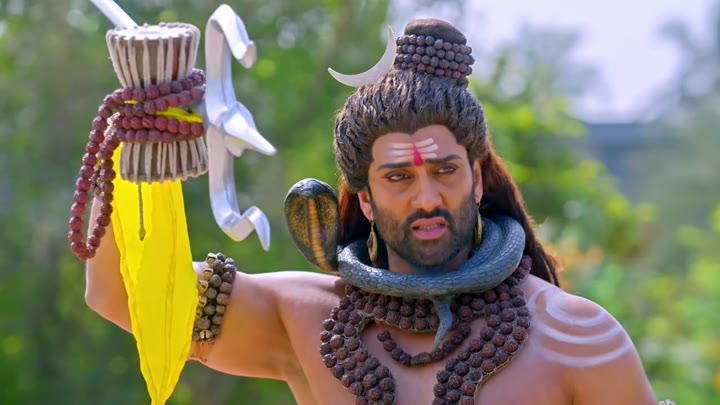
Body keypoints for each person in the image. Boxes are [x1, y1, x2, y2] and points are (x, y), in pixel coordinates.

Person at [85, 18, 667, 405]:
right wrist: (134, 144)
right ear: (364, 197)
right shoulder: (306, 321)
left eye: (445, 170)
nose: (427, 197)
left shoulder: (577, 337)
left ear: (476, 178)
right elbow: (123, 296)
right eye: (398, 177)